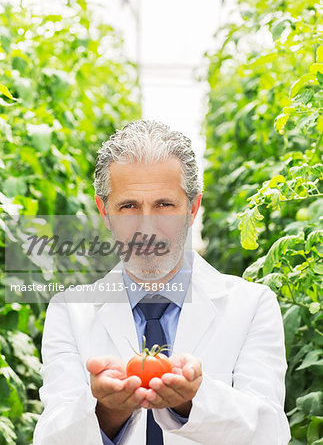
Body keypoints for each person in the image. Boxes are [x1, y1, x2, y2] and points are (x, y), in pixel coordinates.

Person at [33, 120, 291, 445]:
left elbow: (271, 433)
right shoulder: (70, 312)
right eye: (128, 206)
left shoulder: (253, 306)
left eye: (164, 205)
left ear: (193, 208)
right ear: (104, 212)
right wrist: (106, 412)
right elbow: (49, 438)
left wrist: (191, 401)